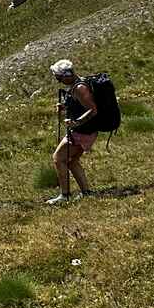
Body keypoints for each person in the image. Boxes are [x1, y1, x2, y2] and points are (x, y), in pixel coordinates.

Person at [47, 59, 97, 205]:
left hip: (81, 132)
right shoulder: (77, 85)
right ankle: (86, 192)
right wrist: (65, 107)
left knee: (58, 158)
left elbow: (93, 109)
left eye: (59, 78)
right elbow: (80, 105)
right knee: (72, 160)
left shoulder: (80, 87)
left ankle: (65, 195)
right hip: (85, 131)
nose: (59, 81)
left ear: (67, 75)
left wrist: (76, 122)